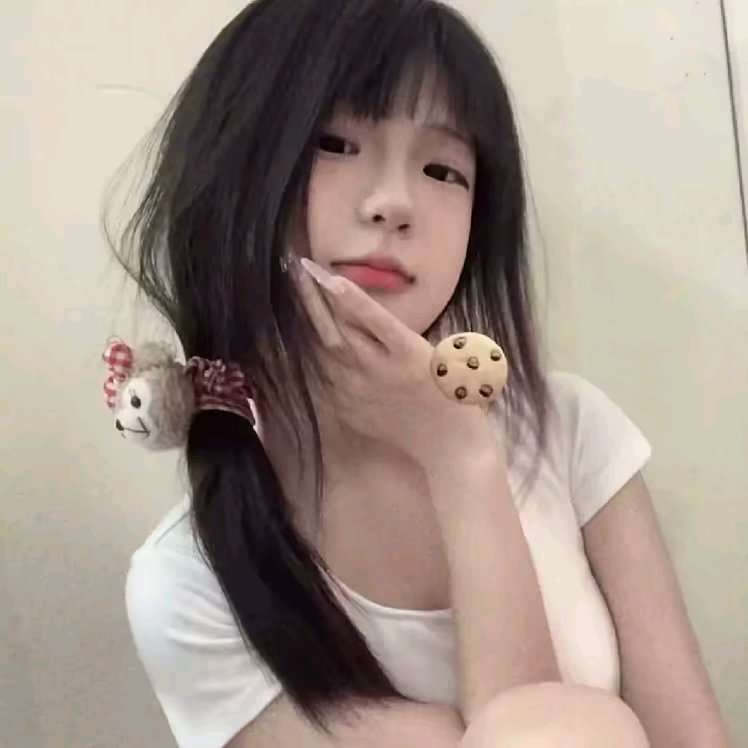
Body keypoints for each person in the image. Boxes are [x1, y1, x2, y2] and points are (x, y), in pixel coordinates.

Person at [106, 2, 730, 747]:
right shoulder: (187, 583)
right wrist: (458, 458)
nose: (394, 203)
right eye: (335, 144)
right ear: (231, 169)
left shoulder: (569, 429)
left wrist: (459, 455)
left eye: (443, 169)